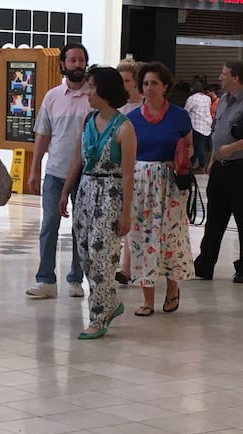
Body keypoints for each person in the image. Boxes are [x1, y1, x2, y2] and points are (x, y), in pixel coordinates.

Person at [60, 67, 136, 338]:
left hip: (111, 194)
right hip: (86, 191)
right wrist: (65, 191)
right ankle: (111, 303)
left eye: (91, 87)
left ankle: (98, 317)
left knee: (103, 257)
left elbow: (128, 175)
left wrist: (126, 213)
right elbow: (78, 159)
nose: (87, 92)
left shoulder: (124, 128)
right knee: (85, 254)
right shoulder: (88, 120)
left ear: (104, 91)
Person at [127, 62, 194, 316]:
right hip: (141, 182)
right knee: (142, 237)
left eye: (154, 83)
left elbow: (189, 147)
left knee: (171, 236)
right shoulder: (132, 118)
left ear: (165, 86)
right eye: (145, 83)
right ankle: (146, 298)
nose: (149, 87)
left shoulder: (179, 115)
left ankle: (172, 289)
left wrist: (181, 159)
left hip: (171, 182)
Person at [25, 43, 91, 299]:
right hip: (55, 172)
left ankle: (76, 278)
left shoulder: (94, 96)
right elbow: (43, 134)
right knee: (49, 224)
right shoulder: (52, 96)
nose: (77, 64)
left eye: (81, 60)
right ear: (62, 64)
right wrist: (34, 169)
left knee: (80, 226)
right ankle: (46, 280)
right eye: (72, 60)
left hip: (86, 174)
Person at [194, 61, 243, 284]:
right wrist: (213, 158)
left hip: (239, 168)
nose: (220, 77)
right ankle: (205, 264)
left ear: (237, 77)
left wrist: (231, 148)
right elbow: (217, 131)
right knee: (214, 219)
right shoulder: (222, 100)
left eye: (224, 74)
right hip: (220, 169)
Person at [115, 58, 144, 285]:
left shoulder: (142, 109)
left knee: (133, 218)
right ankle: (124, 265)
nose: (123, 85)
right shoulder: (116, 109)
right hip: (118, 169)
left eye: (127, 80)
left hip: (139, 169)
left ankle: (127, 267)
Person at [184, 82, 212, 173]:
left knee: (198, 146)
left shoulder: (192, 98)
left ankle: (202, 166)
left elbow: (186, 111)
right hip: (207, 124)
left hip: (196, 125)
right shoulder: (207, 98)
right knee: (199, 146)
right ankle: (191, 165)